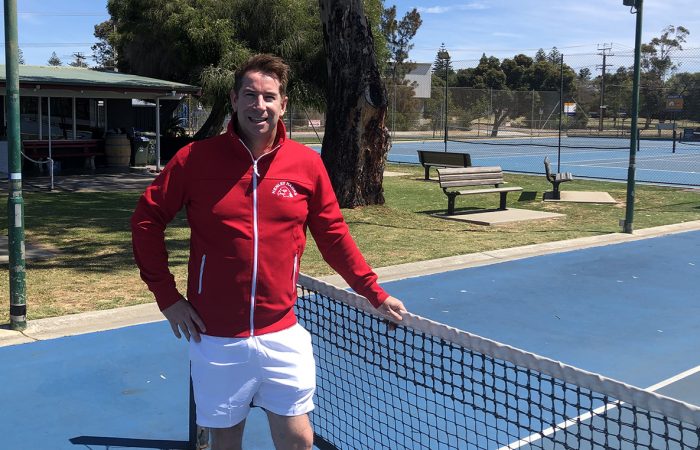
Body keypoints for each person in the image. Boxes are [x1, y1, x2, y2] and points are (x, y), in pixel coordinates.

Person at [131, 54, 406, 450]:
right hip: (217, 337)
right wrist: (167, 298)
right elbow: (145, 220)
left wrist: (373, 291)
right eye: (249, 95)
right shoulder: (195, 159)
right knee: (226, 442)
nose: (258, 105)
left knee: (298, 441)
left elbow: (333, 236)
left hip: (283, 333)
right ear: (234, 99)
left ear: (283, 103)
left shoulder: (307, 164)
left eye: (268, 96)